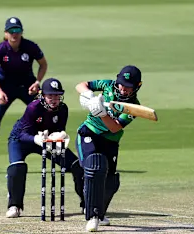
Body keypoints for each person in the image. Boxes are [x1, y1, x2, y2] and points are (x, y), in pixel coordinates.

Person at [0, 16, 48, 174]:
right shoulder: (0, 50)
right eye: (11, 31)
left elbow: (43, 64)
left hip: (27, 86)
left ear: (21, 32)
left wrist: (37, 82)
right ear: (6, 33)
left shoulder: (30, 47)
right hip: (5, 87)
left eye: (17, 30)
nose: (15, 34)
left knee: (44, 113)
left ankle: (59, 157)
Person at [75, 65, 143, 232]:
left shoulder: (134, 106)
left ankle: (100, 211)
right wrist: (89, 96)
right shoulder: (107, 85)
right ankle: (92, 216)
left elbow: (114, 128)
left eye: (128, 86)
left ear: (138, 86)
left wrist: (102, 113)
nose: (123, 88)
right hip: (89, 133)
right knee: (94, 169)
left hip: (110, 141)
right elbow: (81, 85)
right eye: (121, 84)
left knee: (111, 183)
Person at [5, 78, 84, 218]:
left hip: (46, 141)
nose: (54, 99)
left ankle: (87, 204)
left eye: (57, 95)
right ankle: (14, 205)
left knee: (76, 165)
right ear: (42, 95)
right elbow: (23, 134)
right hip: (21, 140)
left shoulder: (63, 109)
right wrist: (37, 139)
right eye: (50, 96)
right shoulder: (33, 107)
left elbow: (59, 130)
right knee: (17, 167)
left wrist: (59, 138)